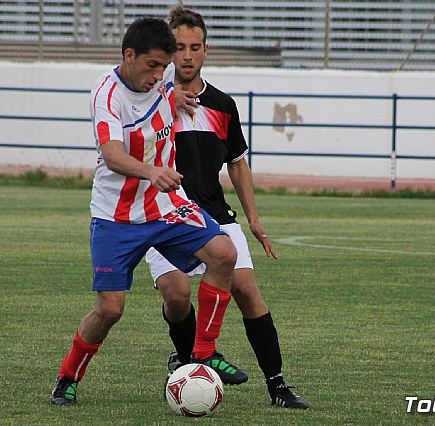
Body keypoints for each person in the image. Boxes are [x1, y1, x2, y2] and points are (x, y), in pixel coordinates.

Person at [50, 16, 243, 406]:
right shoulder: (106, 95)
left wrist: (173, 96)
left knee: (224, 253)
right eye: (152, 66)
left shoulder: (162, 82)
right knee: (110, 309)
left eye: (164, 67)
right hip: (116, 218)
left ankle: (202, 355)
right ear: (129, 55)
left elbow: (163, 94)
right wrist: (152, 171)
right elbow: (112, 154)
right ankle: (68, 376)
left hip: (166, 207)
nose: (158, 75)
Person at [145, 6, 310, 410]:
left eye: (194, 47)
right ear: (168, 50)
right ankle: (189, 362)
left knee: (248, 290)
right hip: (164, 215)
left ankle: (278, 388)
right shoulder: (151, 99)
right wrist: (164, 97)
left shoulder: (222, 105)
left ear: (206, 51)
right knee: (177, 294)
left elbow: (237, 162)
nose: (186, 55)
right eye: (179, 47)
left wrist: (253, 217)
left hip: (215, 216)